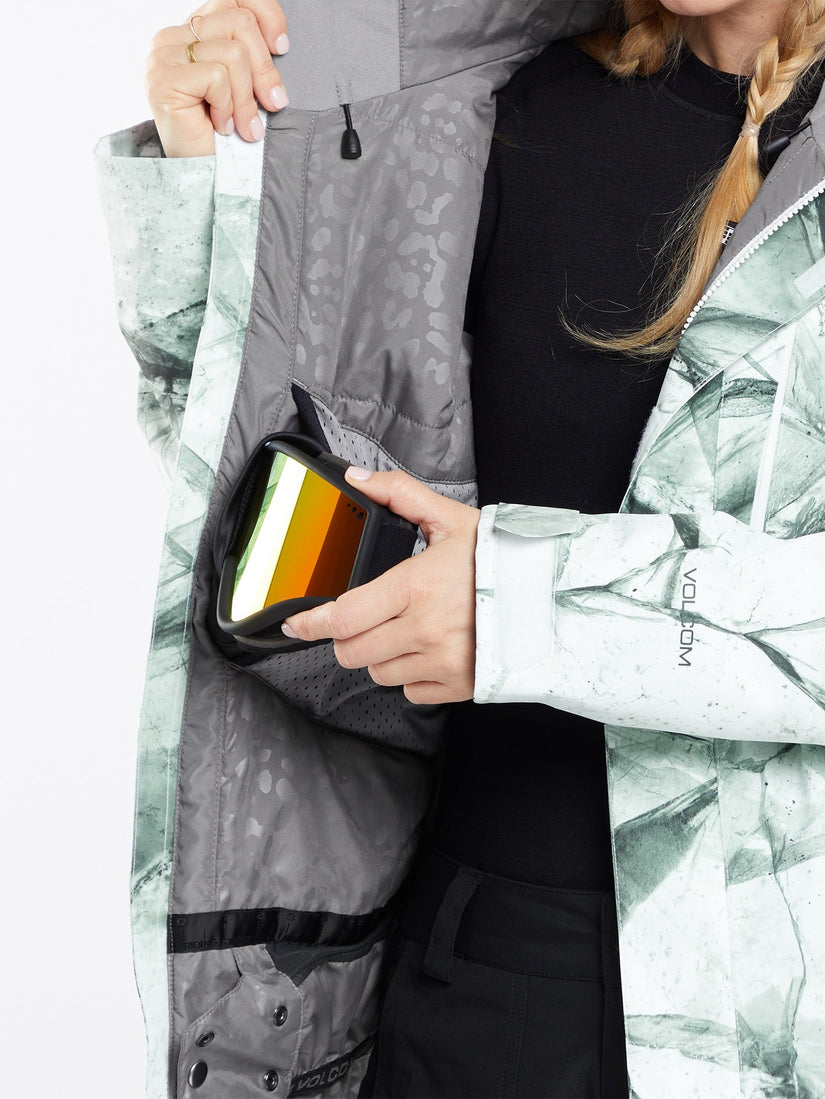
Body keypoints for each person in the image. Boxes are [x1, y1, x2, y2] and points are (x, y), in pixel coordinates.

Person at [96, 1, 825, 1096]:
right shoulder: (506, 112)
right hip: (483, 974)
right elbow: (261, 505)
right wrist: (210, 181)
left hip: (776, 1009)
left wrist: (524, 606)